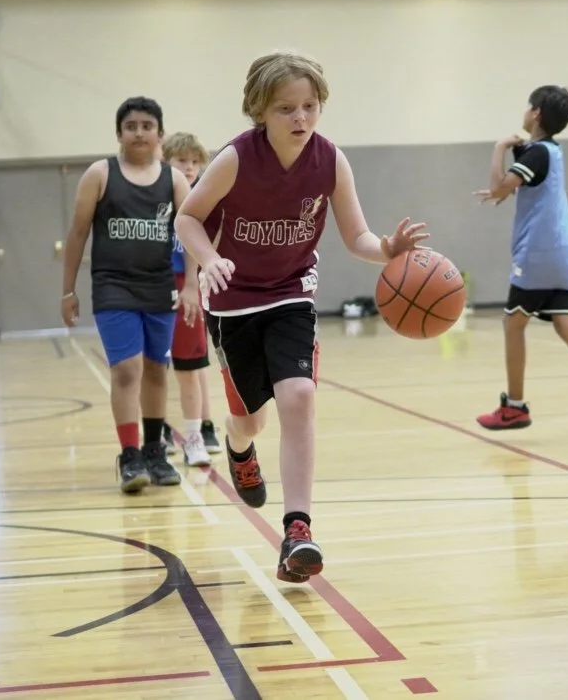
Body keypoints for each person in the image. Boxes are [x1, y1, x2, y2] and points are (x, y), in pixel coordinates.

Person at [175, 51, 427, 583]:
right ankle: (239, 447)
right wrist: (210, 258)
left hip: (291, 293)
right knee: (249, 418)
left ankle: (298, 530)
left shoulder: (330, 160)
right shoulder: (235, 159)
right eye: (287, 108)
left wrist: (388, 247)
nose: (301, 118)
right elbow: (188, 217)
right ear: (260, 111)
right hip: (235, 300)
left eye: (309, 106)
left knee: (300, 395)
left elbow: (356, 237)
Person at [473, 85, 568, 442]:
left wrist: (499, 148)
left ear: (536, 114)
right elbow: (523, 184)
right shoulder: (549, 152)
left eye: (529, 107)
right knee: (566, 325)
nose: (525, 112)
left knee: (513, 322)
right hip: (563, 250)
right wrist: (516, 157)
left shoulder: (536, 154)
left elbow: (498, 187)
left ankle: (514, 406)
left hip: (539, 254)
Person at [61, 96, 200, 493]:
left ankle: (155, 451)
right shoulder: (100, 174)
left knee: (157, 369)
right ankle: (129, 455)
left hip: (158, 285)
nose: (139, 132)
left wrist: (191, 284)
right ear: (119, 133)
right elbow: (77, 234)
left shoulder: (173, 180)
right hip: (113, 286)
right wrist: (67, 290)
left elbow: (191, 232)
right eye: (131, 126)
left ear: (160, 132)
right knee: (127, 370)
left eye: (146, 125)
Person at [161, 130, 221, 466]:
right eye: (182, 160)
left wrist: (196, 284)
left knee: (194, 361)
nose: (189, 167)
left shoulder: (202, 199)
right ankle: (160, 429)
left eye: (195, 162)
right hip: (158, 282)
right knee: (157, 364)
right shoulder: (156, 198)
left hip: (192, 282)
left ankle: (201, 430)